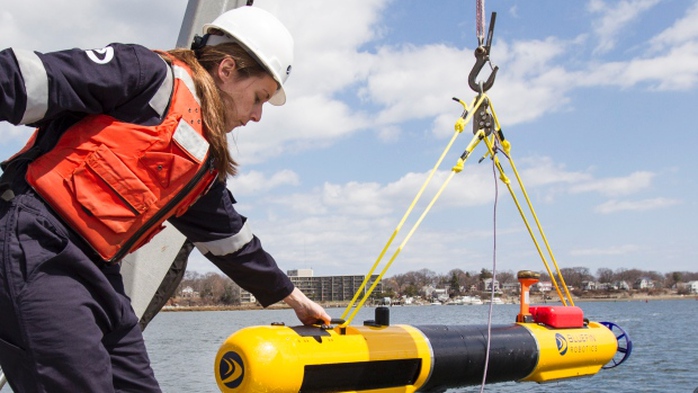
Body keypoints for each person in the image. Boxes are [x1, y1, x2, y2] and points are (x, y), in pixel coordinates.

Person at [0, 6, 331, 392]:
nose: (257, 115)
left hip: (99, 271)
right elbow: (20, 79)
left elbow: (230, 239)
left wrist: (294, 299)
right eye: (258, 97)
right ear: (226, 70)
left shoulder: (202, 163)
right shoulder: (145, 75)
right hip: (35, 245)